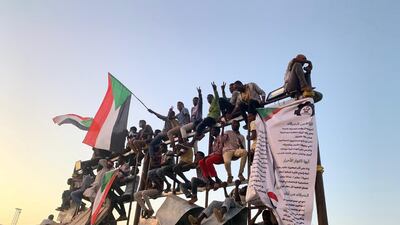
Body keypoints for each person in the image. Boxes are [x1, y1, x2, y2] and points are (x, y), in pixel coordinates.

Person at [189, 127, 224, 204]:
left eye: (198, 157)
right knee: (185, 184)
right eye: (196, 157)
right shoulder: (196, 163)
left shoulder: (203, 161)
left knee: (194, 178)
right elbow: (195, 149)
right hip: (199, 183)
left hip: (204, 182)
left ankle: (214, 181)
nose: (196, 158)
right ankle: (190, 194)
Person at [179, 87, 203, 152]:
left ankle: (185, 141)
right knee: (195, 140)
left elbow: (201, 101)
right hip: (193, 123)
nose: (194, 101)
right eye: (193, 100)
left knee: (182, 128)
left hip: (197, 122)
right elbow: (191, 118)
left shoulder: (199, 106)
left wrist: (199, 94)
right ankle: (196, 154)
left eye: (196, 100)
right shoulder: (192, 108)